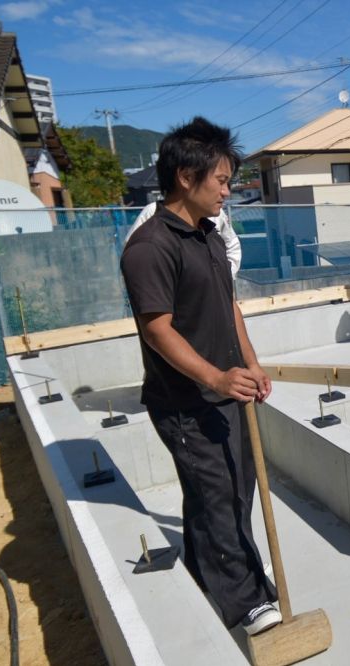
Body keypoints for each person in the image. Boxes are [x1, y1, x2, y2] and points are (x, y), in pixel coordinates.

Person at [119, 117, 281, 636]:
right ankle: (248, 601)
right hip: (186, 402)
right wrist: (215, 377)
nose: (228, 191)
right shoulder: (150, 248)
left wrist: (250, 363)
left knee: (225, 490)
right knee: (221, 495)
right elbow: (157, 330)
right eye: (222, 180)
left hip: (224, 389)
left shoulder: (208, 236)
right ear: (186, 177)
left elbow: (228, 305)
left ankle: (203, 570)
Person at [127, 201, 242, 278]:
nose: (224, 191)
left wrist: (226, 276)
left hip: (212, 294)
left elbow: (231, 243)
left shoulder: (216, 213)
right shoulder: (153, 211)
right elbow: (132, 248)